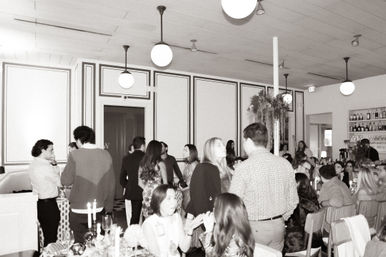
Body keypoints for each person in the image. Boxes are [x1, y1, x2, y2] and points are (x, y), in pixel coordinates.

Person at [230, 123, 299, 251]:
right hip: (278, 226)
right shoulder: (284, 164)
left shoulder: (244, 167)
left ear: (249, 141)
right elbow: (293, 200)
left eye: (244, 141)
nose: (244, 145)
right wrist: (281, 218)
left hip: (254, 227)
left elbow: (233, 203)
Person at [61, 126, 115, 243]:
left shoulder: (75, 155)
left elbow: (65, 180)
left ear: (79, 140)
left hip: (78, 209)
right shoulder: (106, 155)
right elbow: (111, 185)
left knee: (80, 246)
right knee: (97, 246)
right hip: (99, 208)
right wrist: (109, 209)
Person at [142, 184, 203, 257]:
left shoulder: (176, 217)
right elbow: (155, 254)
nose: (174, 202)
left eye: (174, 198)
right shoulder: (149, 224)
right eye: (169, 199)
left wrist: (190, 230)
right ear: (158, 202)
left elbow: (184, 248)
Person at [200, 193, 255, 257]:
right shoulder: (234, 233)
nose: (213, 210)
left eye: (215, 207)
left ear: (224, 214)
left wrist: (208, 231)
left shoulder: (235, 243)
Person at [29, 139, 61, 246]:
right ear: (43, 150)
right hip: (49, 206)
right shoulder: (43, 166)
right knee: (51, 238)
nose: (53, 153)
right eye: (51, 150)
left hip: (41, 204)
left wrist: (54, 164)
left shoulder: (35, 163)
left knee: (48, 236)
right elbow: (60, 182)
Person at [284, 173, 321, 253]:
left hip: (300, 243)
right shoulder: (312, 197)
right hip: (315, 241)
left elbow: (288, 220)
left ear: (296, 183)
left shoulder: (297, 202)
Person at [139, 140, 168, 219]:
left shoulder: (142, 163)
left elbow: (139, 183)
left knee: (148, 219)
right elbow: (165, 183)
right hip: (157, 195)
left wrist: (148, 189)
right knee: (158, 219)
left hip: (146, 194)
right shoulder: (161, 164)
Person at [120, 136, 145, 225]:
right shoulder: (146, 157)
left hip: (132, 191)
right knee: (147, 217)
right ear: (143, 146)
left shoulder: (126, 158)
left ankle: (132, 235)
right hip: (146, 190)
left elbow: (121, 179)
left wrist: (128, 185)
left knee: (134, 216)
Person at [181, 144, 199, 210]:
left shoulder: (194, 164)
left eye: (185, 150)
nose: (183, 152)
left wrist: (183, 188)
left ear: (191, 152)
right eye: (183, 150)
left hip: (191, 194)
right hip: (186, 192)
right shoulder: (188, 164)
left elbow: (194, 183)